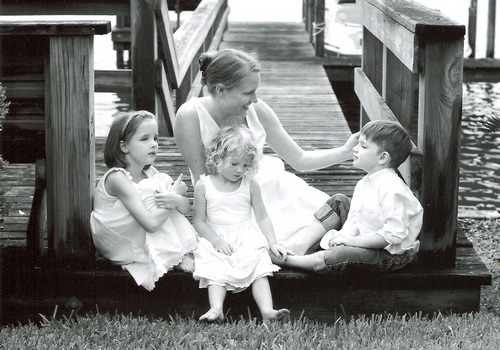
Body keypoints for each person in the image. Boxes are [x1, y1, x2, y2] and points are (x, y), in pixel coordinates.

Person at [170, 48, 359, 256]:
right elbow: (202, 183)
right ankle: (295, 250)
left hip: (275, 189)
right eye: (248, 92)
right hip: (234, 203)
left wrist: (345, 151)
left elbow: (300, 160)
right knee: (257, 246)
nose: (255, 99)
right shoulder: (190, 116)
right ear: (221, 90)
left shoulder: (257, 110)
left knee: (347, 215)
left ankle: (300, 248)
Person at [273, 120, 423, 274]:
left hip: (391, 254)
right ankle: (300, 248)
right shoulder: (367, 182)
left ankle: (292, 260)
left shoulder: (393, 190)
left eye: (363, 146)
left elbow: (393, 236)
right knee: (339, 200)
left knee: (341, 256)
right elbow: (355, 219)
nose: (355, 149)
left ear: (383, 158)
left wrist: (351, 242)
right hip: (367, 237)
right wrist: (343, 238)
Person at [90, 111, 198, 291]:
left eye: (155, 138)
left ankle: (176, 252)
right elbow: (151, 224)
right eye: (145, 139)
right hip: (117, 240)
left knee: (162, 188)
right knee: (156, 192)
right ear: (124, 146)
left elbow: (185, 209)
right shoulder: (117, 177)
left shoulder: (150, 173)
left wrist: (176, 197)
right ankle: (176, 257)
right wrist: (171, 198)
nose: (154, 145)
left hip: (138, 229)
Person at [192, 125, 290, 322]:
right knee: (214, 269)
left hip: (246, 237)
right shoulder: (204, 186)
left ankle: (267, 311)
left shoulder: (250, 184)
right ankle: (216, 308)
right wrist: (216, 241)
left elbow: (262, 216)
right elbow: (199, 221)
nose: (240, 170)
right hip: (216, 237)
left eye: (246, 165)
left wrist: (273, 242)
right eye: (235, 163)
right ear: (218, 157)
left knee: (259, 267)